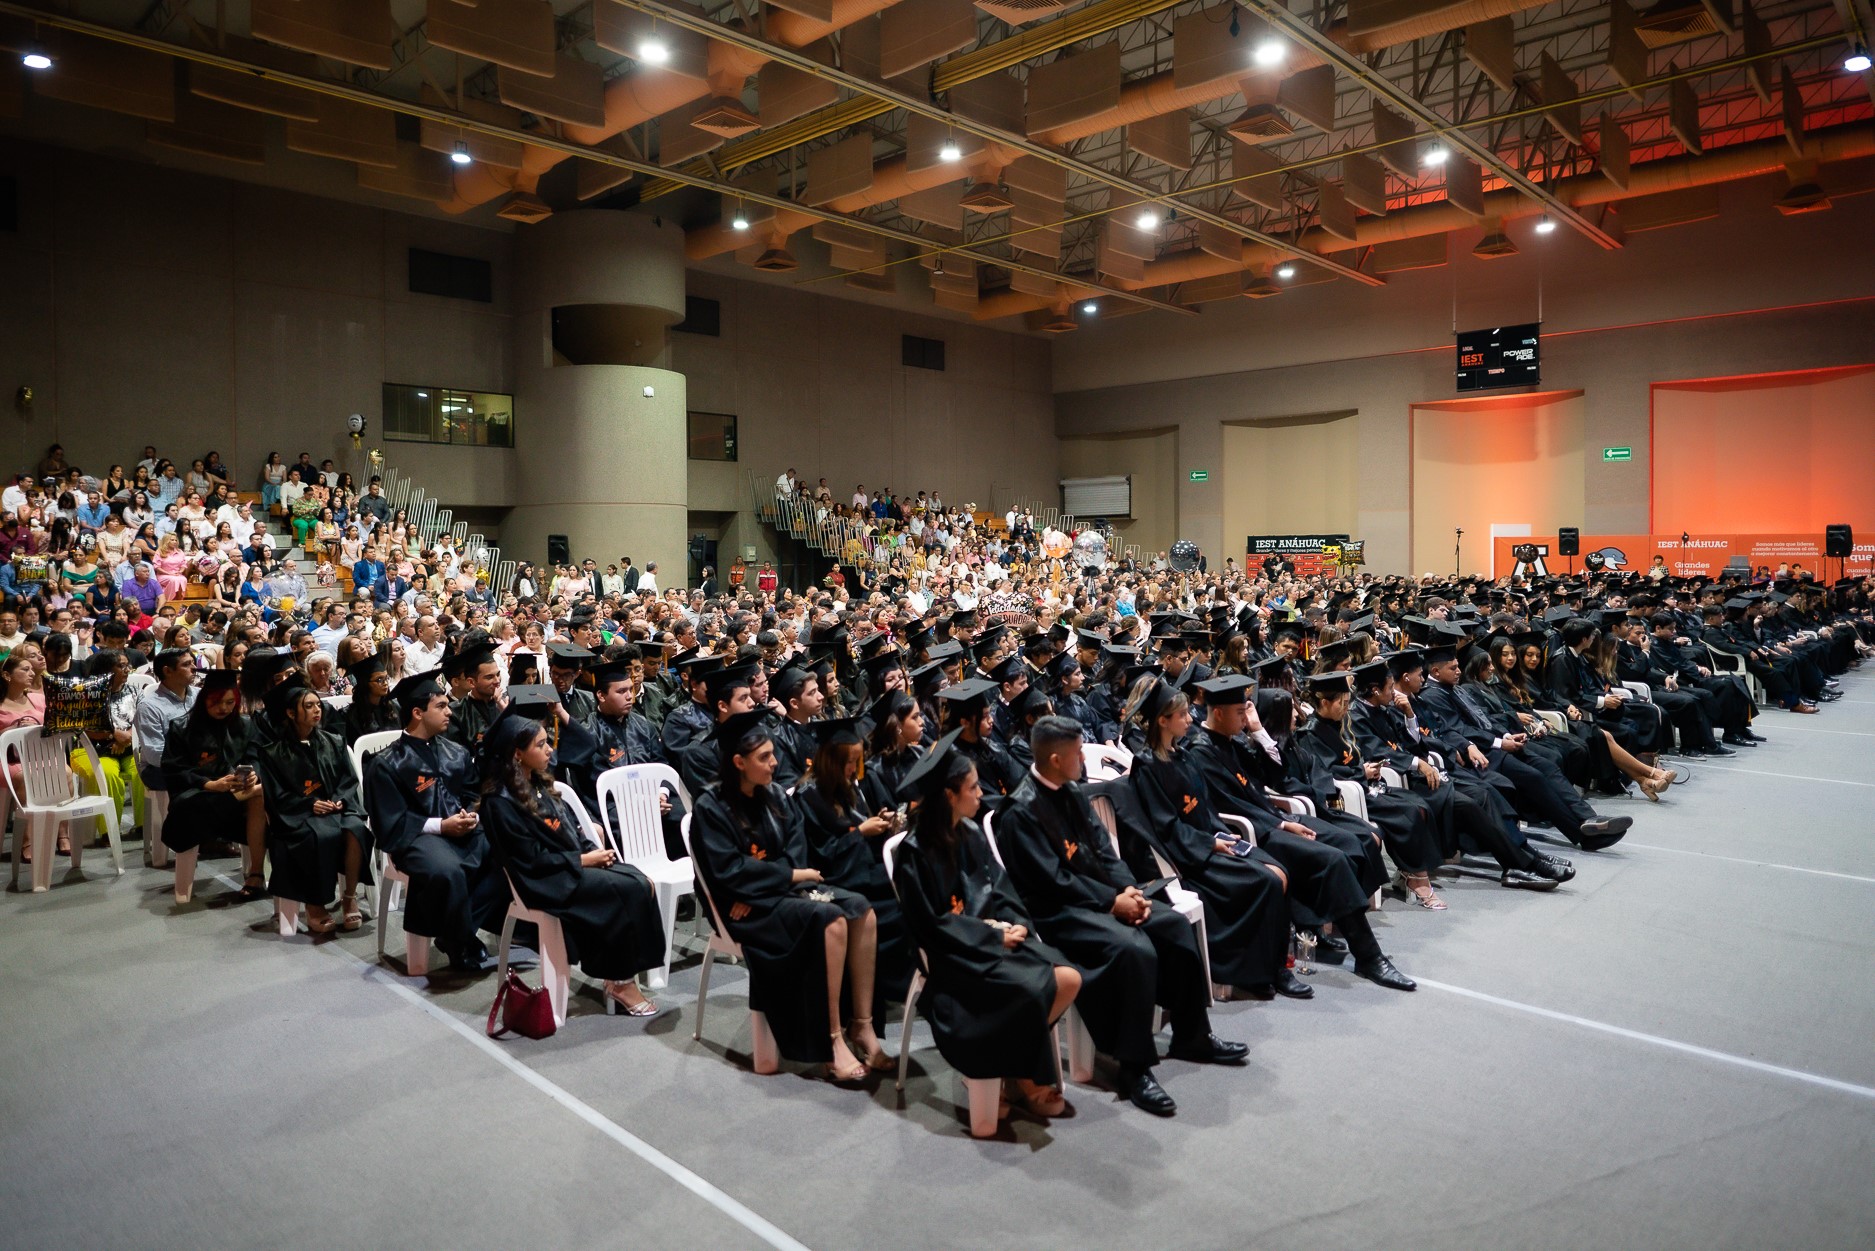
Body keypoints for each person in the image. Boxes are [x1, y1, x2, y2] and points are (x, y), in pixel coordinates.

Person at [998, 715, 1246, 1117]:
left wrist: (1128, 889)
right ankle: (1134, 1069)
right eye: (1079, 751)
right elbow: (1054, 881)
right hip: (1056, 914)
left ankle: (1192, 1033)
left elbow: (1103, 850)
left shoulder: (1072, 791)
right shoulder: (1020, 812)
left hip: (1095, 898)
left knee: (1170, 924)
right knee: (1134, 950)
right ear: (1057, 758)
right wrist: (1112, 903)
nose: (1085, 756)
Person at [890, 729, 1082, 1129]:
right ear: (948, 795)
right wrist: (994, 936)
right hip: (956, 958)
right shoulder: (914, 854)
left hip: (994, 942)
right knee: (1031, 991)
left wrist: (1016, 925)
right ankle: (1026, 1080)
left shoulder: (971, 832)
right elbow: (934, 926)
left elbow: (1001, 888)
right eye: (973, 788)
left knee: (1067, 978)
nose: (982, 794)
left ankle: (1012, 1069)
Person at [689, 709, 886, 1081]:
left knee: (862, 910)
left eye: (773, 753)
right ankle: (831, 1039)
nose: (775, 762)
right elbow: (727, 872)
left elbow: (797, 851)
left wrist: (777, 881)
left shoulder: (776, 795)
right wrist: (785, 877)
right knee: (830, 921)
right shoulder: (710, 807)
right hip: (745, 911)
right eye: (764, 757)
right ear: (738, 762)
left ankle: (862, 1024)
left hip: (771, 896)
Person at [1182, 675, 1414, 990]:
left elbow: (1273, 773)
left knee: (1341, 850)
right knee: (1331, 860)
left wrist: (1257, 731)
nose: (1246, 717)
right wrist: (1279, 823)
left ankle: (1321, 933)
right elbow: (1229, 804)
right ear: (1219, 713)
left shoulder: (1234, 739)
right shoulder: (1199, 750)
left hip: (1270, 817)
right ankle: (1369, 957)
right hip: (1250, 833)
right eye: (1240, 711)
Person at [1117, 675, 1302, 998]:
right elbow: (1166, 828)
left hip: (1210, 839)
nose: (1192, 720)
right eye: (1184, 716)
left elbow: (1205, 810)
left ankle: (1277, 965)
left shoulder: (1182, 755)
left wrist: (1223, 835)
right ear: (1163, 721)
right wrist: (1210, 843)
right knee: (1267, 881)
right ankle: (1257, 972)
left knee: (1281, 870)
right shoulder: (1146, 766)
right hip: (1186, 858)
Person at [477, 714, 663, 1015]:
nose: (550, 749)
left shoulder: (537, 782)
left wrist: (591, 850)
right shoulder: (499, 802)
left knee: (640, 881)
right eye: (541, 744)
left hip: (566, 867)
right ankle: (619, 982)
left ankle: (621, 973)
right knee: (624, 889)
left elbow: (572, 829)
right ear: (517, 753)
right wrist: (583, 860)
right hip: (542, 881)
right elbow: (529, 859)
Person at [362, 672, 507, 971]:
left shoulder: (456, 751)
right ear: (417, 713)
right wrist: (441, 826)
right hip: (417, 838)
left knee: (509, 853)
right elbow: (391, 820)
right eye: (441, 706)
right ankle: (462, 939)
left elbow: (472, 792)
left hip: (462, 829)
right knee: (447, 870)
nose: (449, 711)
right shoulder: (386, 764)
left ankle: (457, 935)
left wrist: (471, 813)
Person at [794, 715, 916, 1014]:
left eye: (857, 761)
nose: (854, 769)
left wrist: (880, 823)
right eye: (850, 762)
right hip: (835, 876)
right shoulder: (807, 797)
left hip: (860, 866)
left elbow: (855, 825)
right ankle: (893, 985)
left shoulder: (845, 787)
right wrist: (860, 832)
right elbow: (821, 853)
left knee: (912, 886)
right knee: (900, 905)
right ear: (831, 761)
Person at [256, 680, 373, 933]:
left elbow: (348, 779)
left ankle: (349, 898)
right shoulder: (273, 753)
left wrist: (340, 799)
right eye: (308, 706)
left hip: (335, 808)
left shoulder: (334, 741)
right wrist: (310, 804)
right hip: (298, 816)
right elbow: (276, 795)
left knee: (355, 829)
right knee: (320, 834)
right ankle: (315, 904)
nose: (317, 710)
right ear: (290, 713)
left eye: (318, 705)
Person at [159, 668, 269, 901]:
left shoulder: (245, 725)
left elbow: (257, 758)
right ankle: (255, 872)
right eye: (217, 701)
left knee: (258, 794)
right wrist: (208, 784)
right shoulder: (181, 727)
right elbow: (173, 769)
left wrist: (253, 776)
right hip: (195, 799)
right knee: (257, 796)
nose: (224, 708)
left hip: (238, 797)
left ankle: (256, 873)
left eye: (230, 702)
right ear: (204, 698)